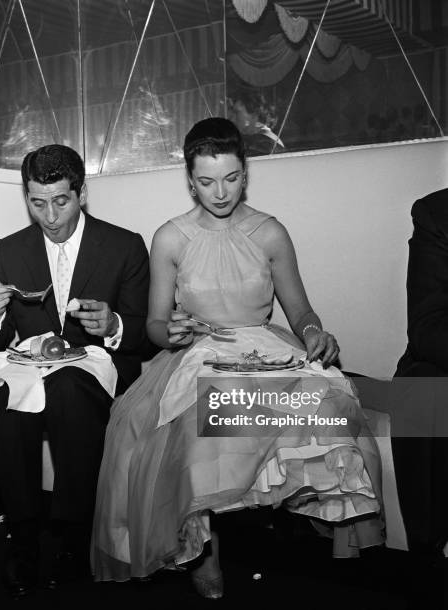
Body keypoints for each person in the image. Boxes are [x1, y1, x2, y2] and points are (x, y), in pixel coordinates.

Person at [91, 118, 384, 598]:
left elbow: (302, 311)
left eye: (230, 178)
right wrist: (172, 330)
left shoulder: (269, 233)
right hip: (199, 351)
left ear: (244, 173)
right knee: (202, 418)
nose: (220, 191)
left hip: (266, 348)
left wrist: (315, 332)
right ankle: (206, 550)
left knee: (328, 405)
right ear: (190, 181)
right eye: (206, 182)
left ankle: (307, 512)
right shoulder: (170, 238)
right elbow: (155, 325)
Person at [0, 144, 150, 598]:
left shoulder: (123, 246)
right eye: (37, 202)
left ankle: (74, 535)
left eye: (61, 200)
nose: (49, 215)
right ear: (26, 197)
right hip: (34, 370)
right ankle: (24, 537)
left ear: (82, 193)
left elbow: (145, 337)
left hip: (99, 369)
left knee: (67, 386)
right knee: (13, 394)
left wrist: (113, 325)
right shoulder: (8, 251)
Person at [394, 188, 448, 558]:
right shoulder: (437, 214)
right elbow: (428, 327)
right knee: (419, 388)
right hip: (441, 361)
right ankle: (427, 555)